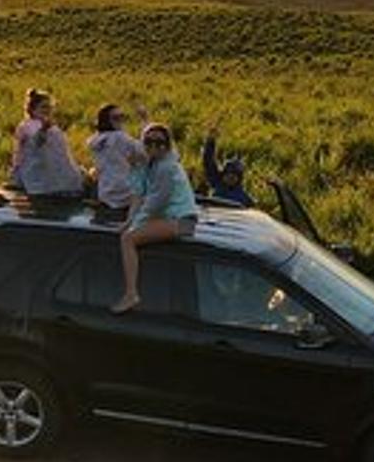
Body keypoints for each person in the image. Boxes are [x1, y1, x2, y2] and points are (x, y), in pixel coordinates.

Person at [111, 123, 200, 314]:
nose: (154, 146)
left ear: (167, 145)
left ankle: (131, 293)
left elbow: (156, 202)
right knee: (128, 233)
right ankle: (131, 293)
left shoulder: (167, 167)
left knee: (127, 239)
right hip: (171, 218)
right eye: (148, 142)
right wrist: (129, 220)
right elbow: (138, 194)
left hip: (183, 222)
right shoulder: (151, 164)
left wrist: (134, 226)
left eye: (160, 142)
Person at [9, 88, 84, 197]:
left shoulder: (50, 126)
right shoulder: (27, 126)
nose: (47, 110)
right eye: (43, 107)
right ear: (32, 109)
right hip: (39, 172)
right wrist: (43, 130)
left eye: (49, 107)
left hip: (55, 169)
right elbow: (36, 143)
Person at [84, 103, 148, 217]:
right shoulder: (120, 137)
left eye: (122, 117)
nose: (120, 121)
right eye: (116, 118)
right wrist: (144, 122)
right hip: (126, 193)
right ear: (106, 120)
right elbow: (145, 151)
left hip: (106, 193)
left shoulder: (95, 141)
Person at [201, 118, 255, 207]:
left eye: (234, 175)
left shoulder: (246, 198)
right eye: (228, 174)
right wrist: (211, 140)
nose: (231, 177)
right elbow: (208, 161)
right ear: (223, 174)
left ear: (239, 179)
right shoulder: (217, 183)